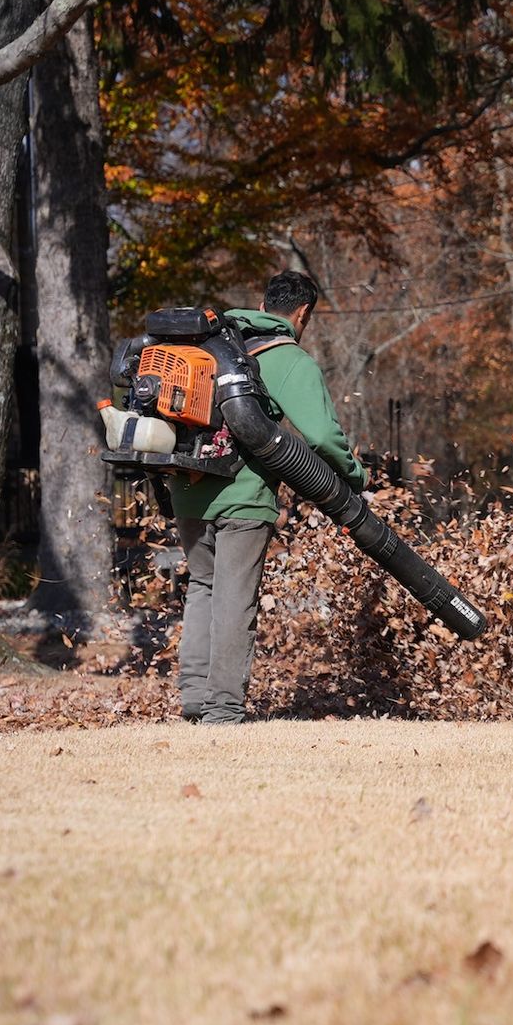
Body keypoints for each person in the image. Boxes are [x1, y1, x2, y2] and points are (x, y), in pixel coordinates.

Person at [169, 271, 366, 724]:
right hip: (243, 496)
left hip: (187, 489)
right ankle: (223, 709)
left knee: (202, 586)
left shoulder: (211, 346)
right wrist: (355, 474)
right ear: (303, 314)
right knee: (234, 598)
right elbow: (320, 435)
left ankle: (195, 697)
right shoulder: (286, 358)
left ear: (260, 302)